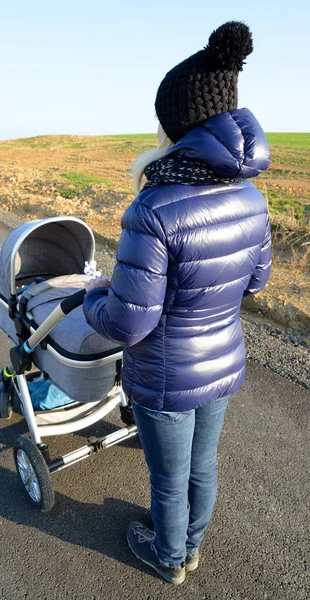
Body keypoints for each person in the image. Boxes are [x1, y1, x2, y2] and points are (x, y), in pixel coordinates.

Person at [83, 21, 272, 586]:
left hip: (167, 372)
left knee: (169, 480)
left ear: (175, 126)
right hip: (223, 358)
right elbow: (256, 283)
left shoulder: (155, 207)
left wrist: (94, 294)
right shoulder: (251, 196)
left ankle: (169, 558)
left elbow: (126, 321)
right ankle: (189, 546)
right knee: (202, 466)